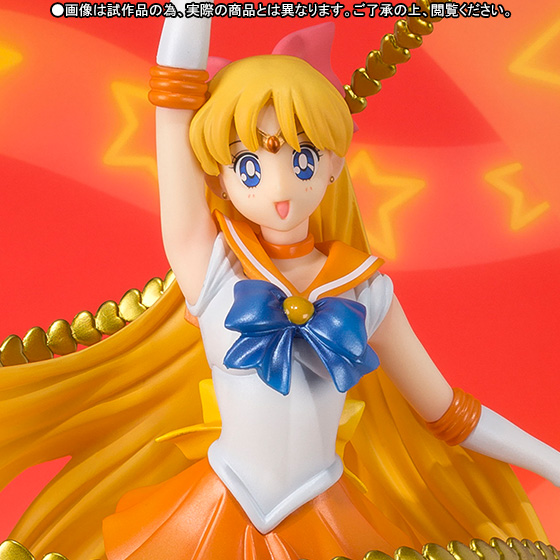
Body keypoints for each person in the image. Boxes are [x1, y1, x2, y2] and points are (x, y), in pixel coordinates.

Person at [0, 11, 558, 560]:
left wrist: (550, 462)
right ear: (219, 177)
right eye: (250, 167)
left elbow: (449, 413)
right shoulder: (212, 269)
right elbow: (171, 104)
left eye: (304, 159)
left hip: (326, 518)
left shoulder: (366, 293)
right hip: (215, 516)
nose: (280, 187)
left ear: (334, 165)